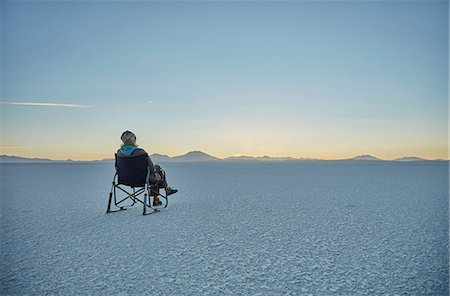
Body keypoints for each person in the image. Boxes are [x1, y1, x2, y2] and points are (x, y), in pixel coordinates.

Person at [117, 130, 177, 206]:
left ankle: (163, 192)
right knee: (157, 170)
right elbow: (150, 167)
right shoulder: (140, 152)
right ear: (133, 140)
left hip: (125, 179)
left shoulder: (119, 153)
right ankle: (162, 193)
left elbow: (117, 168)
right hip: (142, 180)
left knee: (154, 173)